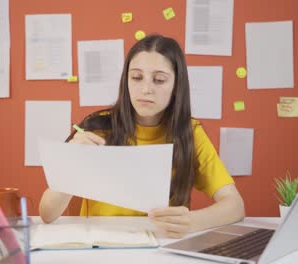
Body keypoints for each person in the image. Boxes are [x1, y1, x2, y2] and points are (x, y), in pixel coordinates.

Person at [39, 34, 245, 238]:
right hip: (100, 246)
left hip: (162, 246)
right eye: (136, 77)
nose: (146, 89)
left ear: (176, 87)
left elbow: (235, 205)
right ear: (126, 80)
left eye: (159, 80)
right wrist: (73, 159)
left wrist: (192, 222)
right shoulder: (97, 127)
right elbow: (47, 213)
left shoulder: (190, 133)